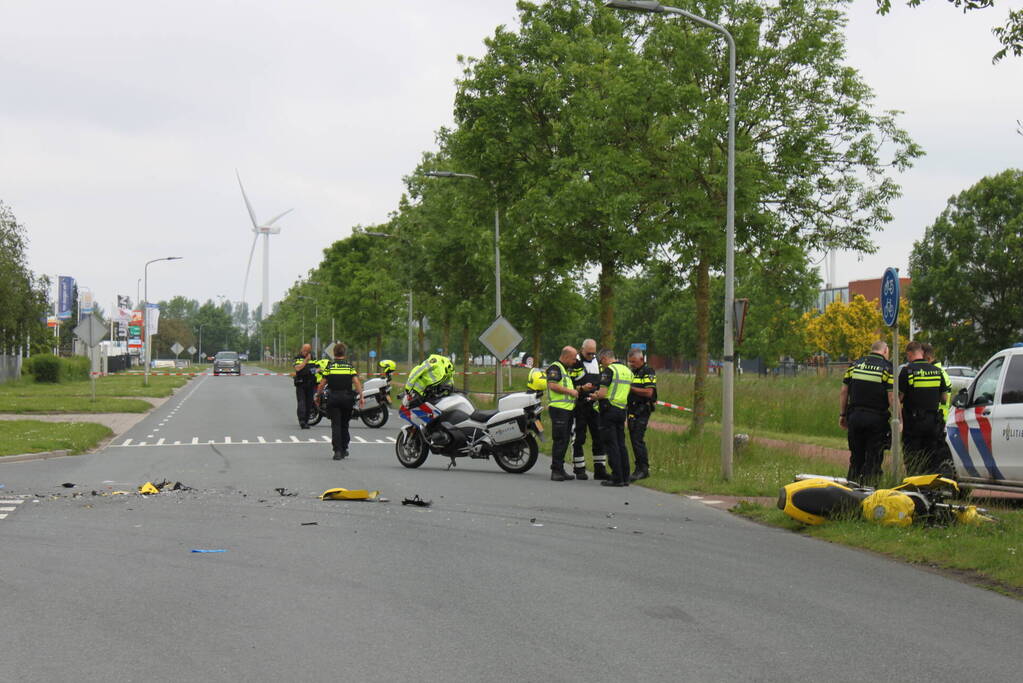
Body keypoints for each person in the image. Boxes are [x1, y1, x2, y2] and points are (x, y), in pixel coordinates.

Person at [839, 340, 893, 485]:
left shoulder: (855, 365)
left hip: (855, 418)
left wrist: (842, 415)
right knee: (874, 458)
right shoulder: (888, 368)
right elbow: (891, 397)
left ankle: (849, 495)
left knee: (856, 458)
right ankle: (870, 492)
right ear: (885, 350)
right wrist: (899, 419)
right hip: (877, 420)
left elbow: (844, 391)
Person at [899, 340, 951, 475]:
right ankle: (930, 490)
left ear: (910, 354)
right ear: (921, 353)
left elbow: (899, 398)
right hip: (933, 422)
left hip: (913, 422)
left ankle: (914, 486)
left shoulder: (907, 371)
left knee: (912, 457)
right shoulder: (937, 371)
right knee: (932, 458)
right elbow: (944, 398)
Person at [589, 349, 634, 487]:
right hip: (621, 410)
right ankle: (625, 477)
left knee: (611, 444)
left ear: (604, 358)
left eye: (601, 361)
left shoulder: (609, 371)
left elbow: (602, 394)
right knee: (621, 444)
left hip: (609, 410)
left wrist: (593, 396)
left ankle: (616, 477)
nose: (601, 364)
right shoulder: (627, 371)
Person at [316, 342, 364, 460]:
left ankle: (337, 451)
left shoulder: (330, 367)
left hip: (333, 398)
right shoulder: (349, 367)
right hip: (347, 398)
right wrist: (361, 396)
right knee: (345, 424)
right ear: (344, 353)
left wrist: (318, 395)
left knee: (335, 425)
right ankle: (344, 448)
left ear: (334, 353)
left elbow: (322, 383)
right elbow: (356, 382)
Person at [570, 339, 609, 480]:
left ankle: (600, 469)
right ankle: (579, 469)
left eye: (594, 353)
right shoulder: (575, 362)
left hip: (595, 405)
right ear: (582, 349)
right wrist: (581, 389)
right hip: (579, 405)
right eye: (589, 353)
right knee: (579, 437)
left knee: (599, 437)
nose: (591, 356)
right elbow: (569, 383)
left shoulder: (598, 363)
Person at [545, 346, 580, 481]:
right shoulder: (555, 368)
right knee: (560, 440)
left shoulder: (564, 369)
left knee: (565, 440)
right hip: (559, 410)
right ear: (565, 357)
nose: (574, 361)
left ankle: (560, 469)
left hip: (566, 410)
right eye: (572, 358)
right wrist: (571, 392)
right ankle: (556, 470)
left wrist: (576, 390)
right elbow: (552, 385)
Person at [922, 342, 955, 475]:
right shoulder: (936, 372)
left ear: (928, 358)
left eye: (922, 360)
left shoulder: (939, 374)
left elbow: (944, 398)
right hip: (935, 420)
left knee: (935, 460)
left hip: (939, 421)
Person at [626, 348, 657, 481]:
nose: (631, 364)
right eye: (630, 362)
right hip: (632, 409)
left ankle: (643, 469)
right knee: (633, 439)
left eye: (633, 361)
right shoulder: (633, 372)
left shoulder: (648, 371)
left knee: (638, 439)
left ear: (641, 359)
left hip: (642, 409)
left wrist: (630, 388)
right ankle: (638, 468)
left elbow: (649, 392)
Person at [292, 343, 318, 429]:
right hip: (301, 383)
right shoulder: (297, 358)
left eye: (307, 350)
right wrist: (306, 360)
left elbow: (318, 369)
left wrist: (311, 371)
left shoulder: (313, 358)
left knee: (309, 403)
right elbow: (297, 368)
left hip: (310, 383)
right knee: (301, 402)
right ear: (301, 349)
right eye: (304, 350)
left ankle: (306, 421)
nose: (305, 352)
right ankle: (302, 421)